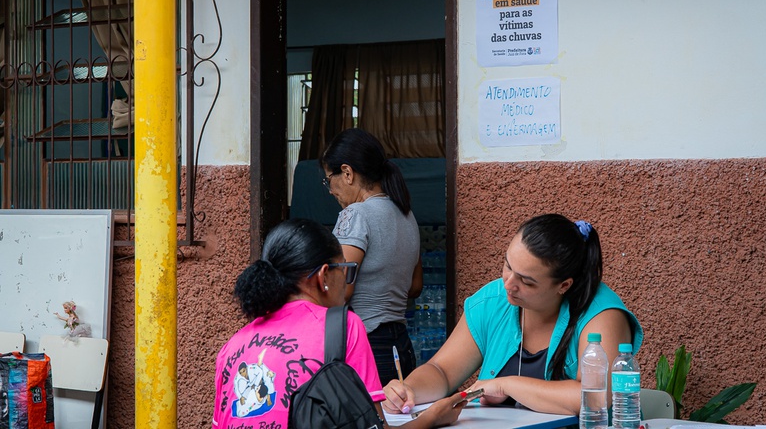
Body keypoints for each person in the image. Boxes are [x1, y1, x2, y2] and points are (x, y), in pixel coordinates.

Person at [212, 218, 465, 428]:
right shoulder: (342, 328)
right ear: (324, 276)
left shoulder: (233, 345)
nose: (346, 282)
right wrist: (433, 417)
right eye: (344, 270)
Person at [383, 213, 644, 416]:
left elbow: (596, 396)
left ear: (564, 286)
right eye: (507, 265)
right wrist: (409, 390)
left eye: (526, 281)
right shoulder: (494, 300)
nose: (508, 284)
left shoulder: (602, 313)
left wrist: (505, 385)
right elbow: (441, 370)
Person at [320, 128, 423, 385]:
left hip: (367, 345)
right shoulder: (407, 215)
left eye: (328, 179)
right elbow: (415, 286)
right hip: (400, 344)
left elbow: (339, 289)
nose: (330, 190)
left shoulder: (356, 214)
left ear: (347, 172)